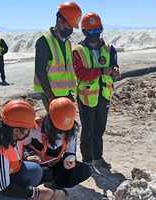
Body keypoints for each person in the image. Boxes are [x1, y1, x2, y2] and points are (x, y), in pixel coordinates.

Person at [72, 12, 120, 169]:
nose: (94, 34)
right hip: (86, 96)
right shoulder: (78, 51)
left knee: (99, 128)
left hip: (103, 95)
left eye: (97, 31)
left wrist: (115, 71)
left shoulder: (109, 49)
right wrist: (101, 72)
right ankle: (87, 161)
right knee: (88, 130)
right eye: (91, 31)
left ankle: (98, 158)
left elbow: (113, 65)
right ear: (84, 32)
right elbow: (80, 73)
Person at [23, 97, 91, 189]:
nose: (61, 132)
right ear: (50, 120)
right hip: (36, 166)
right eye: (58, 128)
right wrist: (28, 156)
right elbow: (20, 146)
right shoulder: (35, 127)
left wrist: (69, 159)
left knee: (84, 170)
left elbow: (70, 151)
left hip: (54, 164)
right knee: (45, 173)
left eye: (65, 129)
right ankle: (38, 188)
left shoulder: (72, 130)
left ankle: (54, 186)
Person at [34, 2, 82, 111]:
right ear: (60, 20)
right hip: (51, 95)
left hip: (66, 93)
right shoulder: (44, 41)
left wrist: (71, 93)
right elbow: (40, 71)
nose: (71, 30)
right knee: (57, 125)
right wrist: (51, 97)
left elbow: (67, 69)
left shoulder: (67, 42)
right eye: (69, 25)